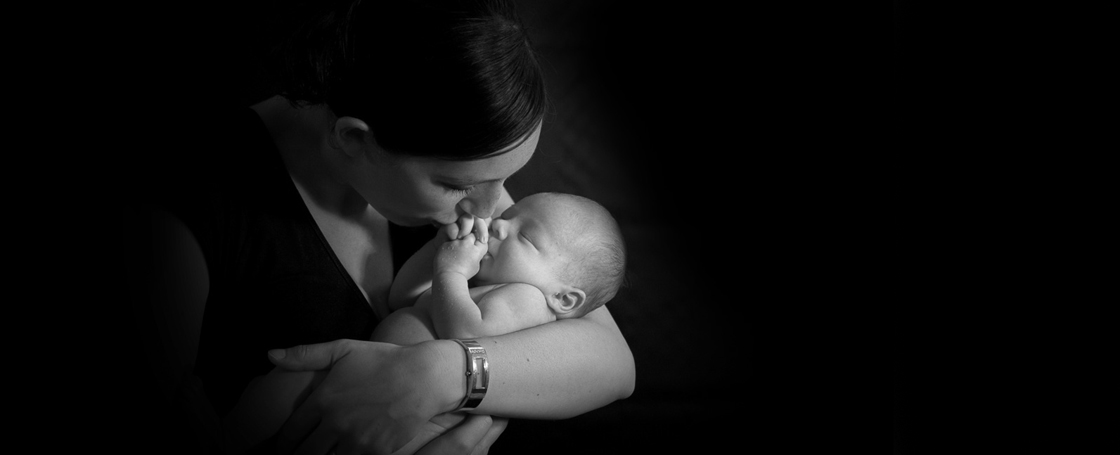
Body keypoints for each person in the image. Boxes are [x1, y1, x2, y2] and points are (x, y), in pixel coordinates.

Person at [128, 1, 635, 454]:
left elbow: (614, 365)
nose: (489, 210)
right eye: (457, 186)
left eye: (503, 180)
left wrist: (434, 377)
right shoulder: (183, 211)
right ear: (354, 139)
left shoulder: (478, 196)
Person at [222, 192, 627, 453]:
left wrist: (451, 273)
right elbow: (402, 297)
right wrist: (440, 253)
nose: (501, 223)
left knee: (290, 398)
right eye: (512, 215)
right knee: (279, 388)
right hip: (370, 375)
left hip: (423, 418)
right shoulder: (482, 283)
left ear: (565, 297)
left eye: (527, 237)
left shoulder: (528, 299)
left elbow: (467, 337)